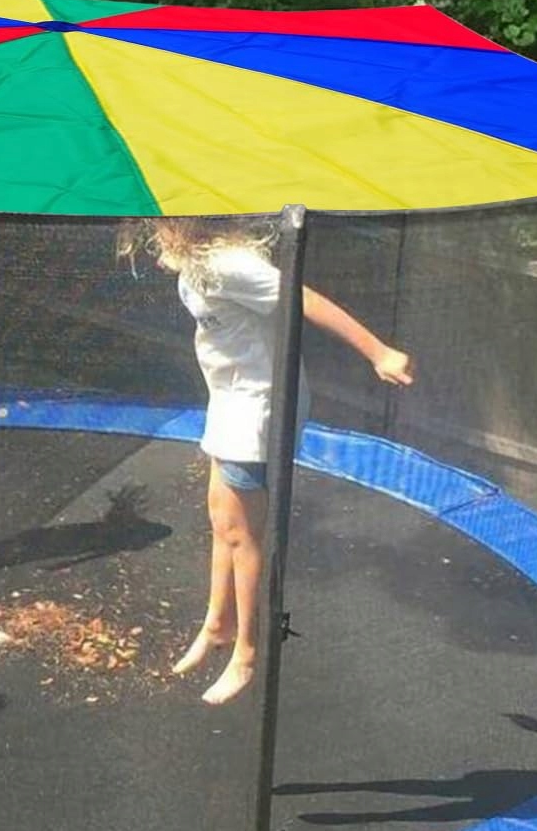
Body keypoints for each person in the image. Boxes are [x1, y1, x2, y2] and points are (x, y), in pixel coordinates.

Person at [125, 219, 414, 706]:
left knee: (242, 534)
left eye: (163, 220)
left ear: (189, 219)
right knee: (220, 520)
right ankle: (217, 625)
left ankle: (247, 652)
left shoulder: (229, 264)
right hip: (229, 398)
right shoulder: (200, 257)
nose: (154, 226)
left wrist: (378, 352)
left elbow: (303, 298)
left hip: (258, 405)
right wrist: (175, 256)